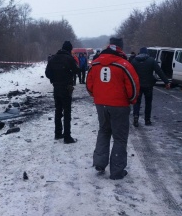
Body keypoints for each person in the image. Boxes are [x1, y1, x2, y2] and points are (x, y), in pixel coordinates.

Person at [86, 37, 140, 180]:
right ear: (120, 48)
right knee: (120, 138)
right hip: (120, 106)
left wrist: (97, 97)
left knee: (104, 131)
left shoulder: (95, 63)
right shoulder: (124, 64)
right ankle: (116, 171)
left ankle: (99, 162)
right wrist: (131, 101)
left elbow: (89, 85)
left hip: (101, 104)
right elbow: (133, 87)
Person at [45, 41, 79, 144]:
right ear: (69, 49)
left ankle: (58, 133)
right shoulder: (69, 59)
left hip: (56, 87)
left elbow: (47, 73)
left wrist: (54, 79)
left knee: (58, 110)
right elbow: (76, 71)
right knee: (67, 112)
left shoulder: (53, 58)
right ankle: (67, 137)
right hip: (66, 88)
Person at [131, 47, 171, 127]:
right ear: (147, 52)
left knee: (137, 102)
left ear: (139, 53)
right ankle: (147, 120)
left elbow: (130, 73)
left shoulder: (134, 61)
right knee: (148, 103)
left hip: (137, 86)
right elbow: (159, 71)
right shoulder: (151, 60)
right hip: (148, 85)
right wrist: (166, 82)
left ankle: (136, 117)